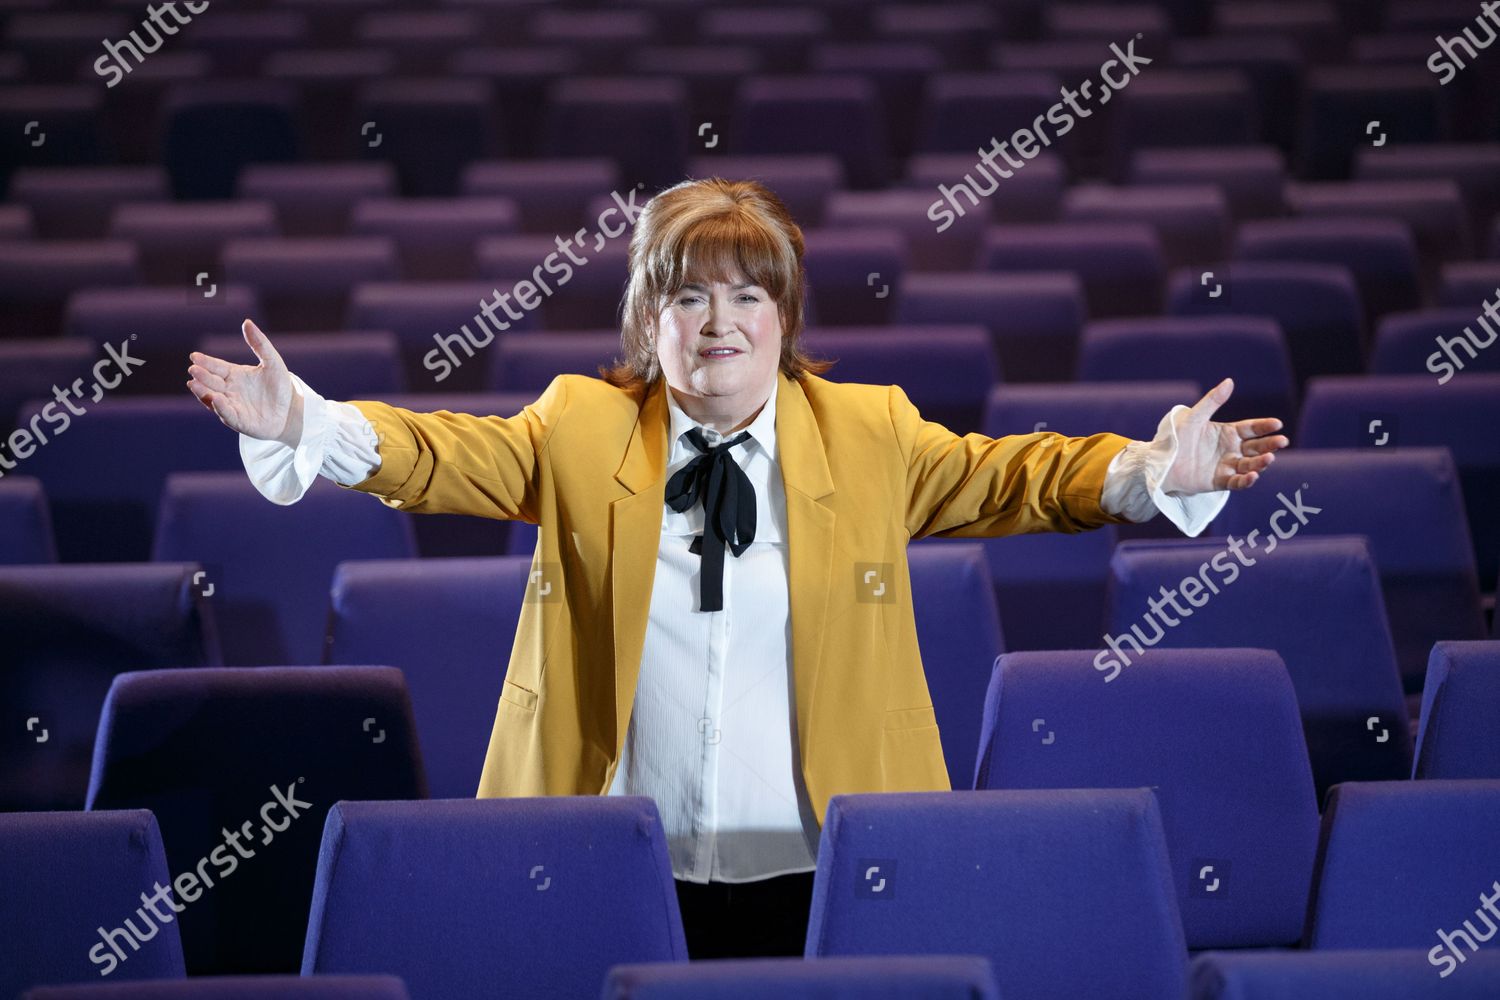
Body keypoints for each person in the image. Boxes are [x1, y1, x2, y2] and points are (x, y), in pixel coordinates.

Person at [185, 178, 1288, 960]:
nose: (719, 323)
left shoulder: (868, 430)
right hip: (614, 863)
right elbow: (436, 455)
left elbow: (1022, 478)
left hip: (826, 865)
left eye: (748, 295)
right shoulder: (580, 424)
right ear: (648, 317)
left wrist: (1153, 469)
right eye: (689, 296)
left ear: (784, 315)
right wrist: (309, 422)